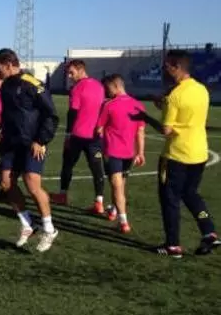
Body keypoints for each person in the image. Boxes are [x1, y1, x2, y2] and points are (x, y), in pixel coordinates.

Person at [131, 50, 218, 257]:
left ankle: (172, 245)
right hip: (198, 152)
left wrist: (144, 117)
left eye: (166, 66)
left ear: (176, 67)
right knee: (191, 193)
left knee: (170, 199)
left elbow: (167, 130)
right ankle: (209, 232)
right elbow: (185, 111)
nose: (164, 71)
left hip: (176, 155)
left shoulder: (175, 96)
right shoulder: (201, 89)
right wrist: (162, 103)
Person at [0, 48, 60, 252]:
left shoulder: (33, 84)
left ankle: (49, 229)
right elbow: (9, 114)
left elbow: (51, 115)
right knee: (6, 183)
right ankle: (28, 223)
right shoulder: (5, 86)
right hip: (10, 143)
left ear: (8, 64)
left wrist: (41, 140)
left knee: (32, 184)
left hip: (32, 143)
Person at [51, 60, 106, 214]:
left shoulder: (77, 88)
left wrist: (68, 135)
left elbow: (72, 113)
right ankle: (99, 202)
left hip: (77, 135)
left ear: (81, 70)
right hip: (95, 136)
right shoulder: (99, 86)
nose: (69, 76)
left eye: (71, 72)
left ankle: (62, 195)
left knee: (68, 165)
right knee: (97, 168)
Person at [96, 74, 145, 234]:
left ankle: (123, 222)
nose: (106, 91)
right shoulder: (138, 105)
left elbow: (99, 129)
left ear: (116, 86)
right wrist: (140, 152)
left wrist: (101, 137)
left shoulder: (109, 105)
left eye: (108, 88)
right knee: (120, 184)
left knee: (116, 185)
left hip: (113, 151)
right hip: (129, 153)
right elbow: (140, 131)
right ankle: (114, 210)